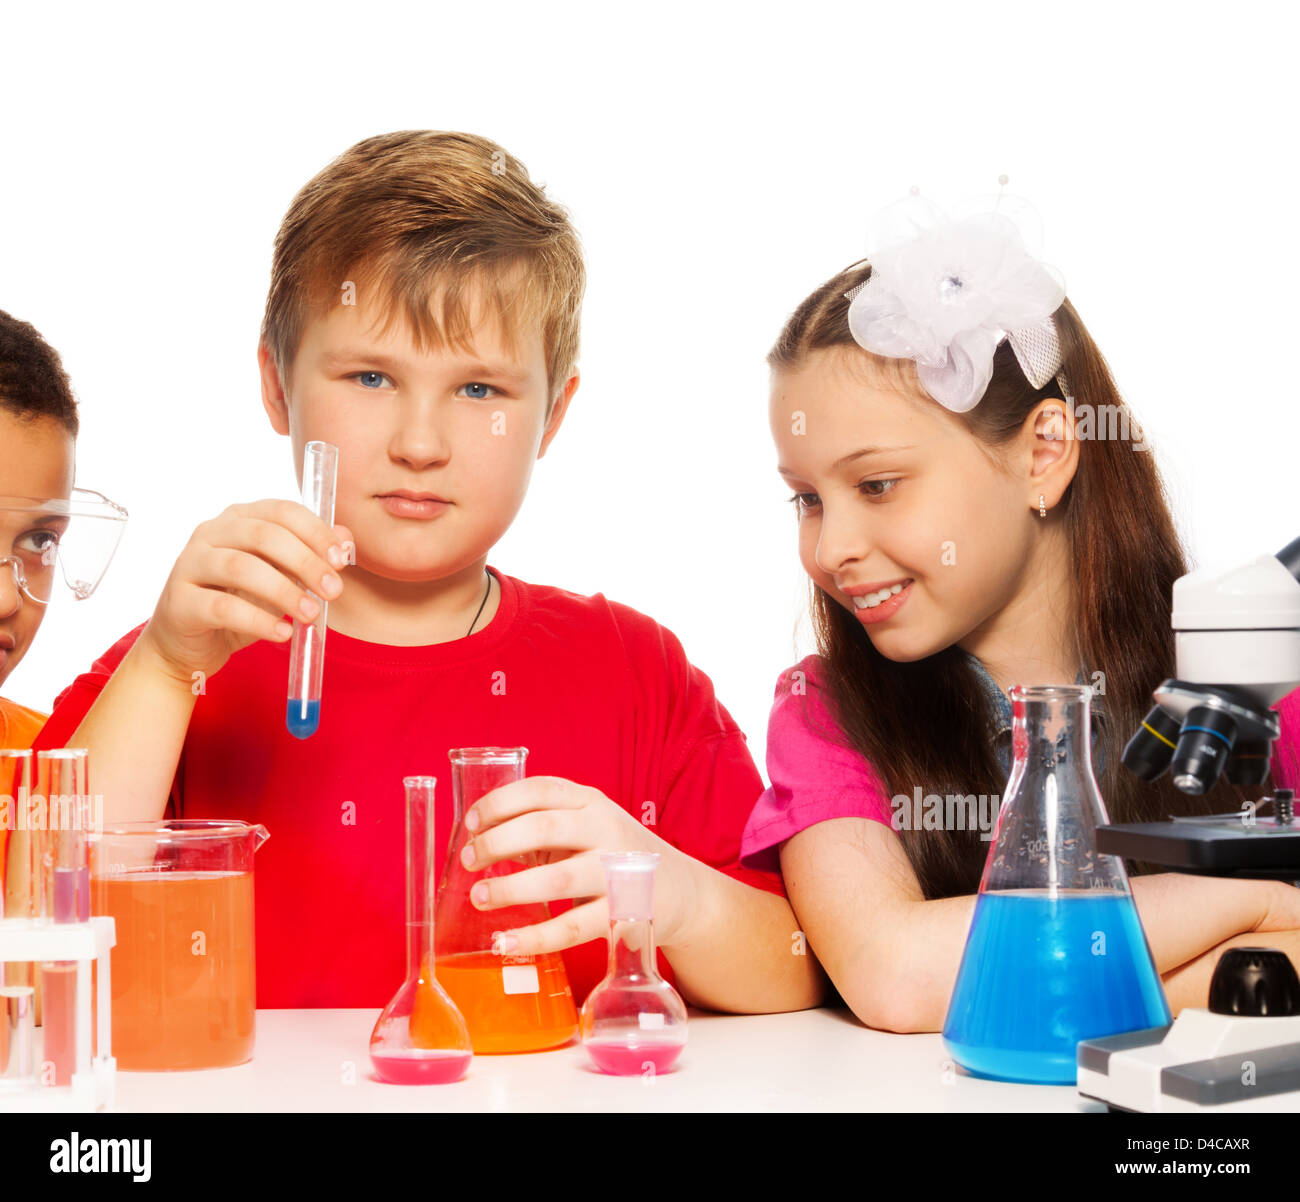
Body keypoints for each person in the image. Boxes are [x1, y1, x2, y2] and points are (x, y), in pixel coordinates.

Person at [34, 131, 824, 1014]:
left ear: (553, 416)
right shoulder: (185, 664)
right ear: (276, 384)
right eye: (371, 376)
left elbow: (794, 964)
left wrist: (671, 896)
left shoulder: (635, 672)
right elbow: (39, 912)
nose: (419, 444)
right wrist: (167, 664)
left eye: (479, 391)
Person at [740, 194, 1300, 1031]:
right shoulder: (826, 714)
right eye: (807, 500)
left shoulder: (1254, 686)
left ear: (1044, 452)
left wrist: (1015, 979)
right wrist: (1241, 902)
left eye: (877, 485)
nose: (830, 550)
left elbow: (948, 976)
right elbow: (894, 975)